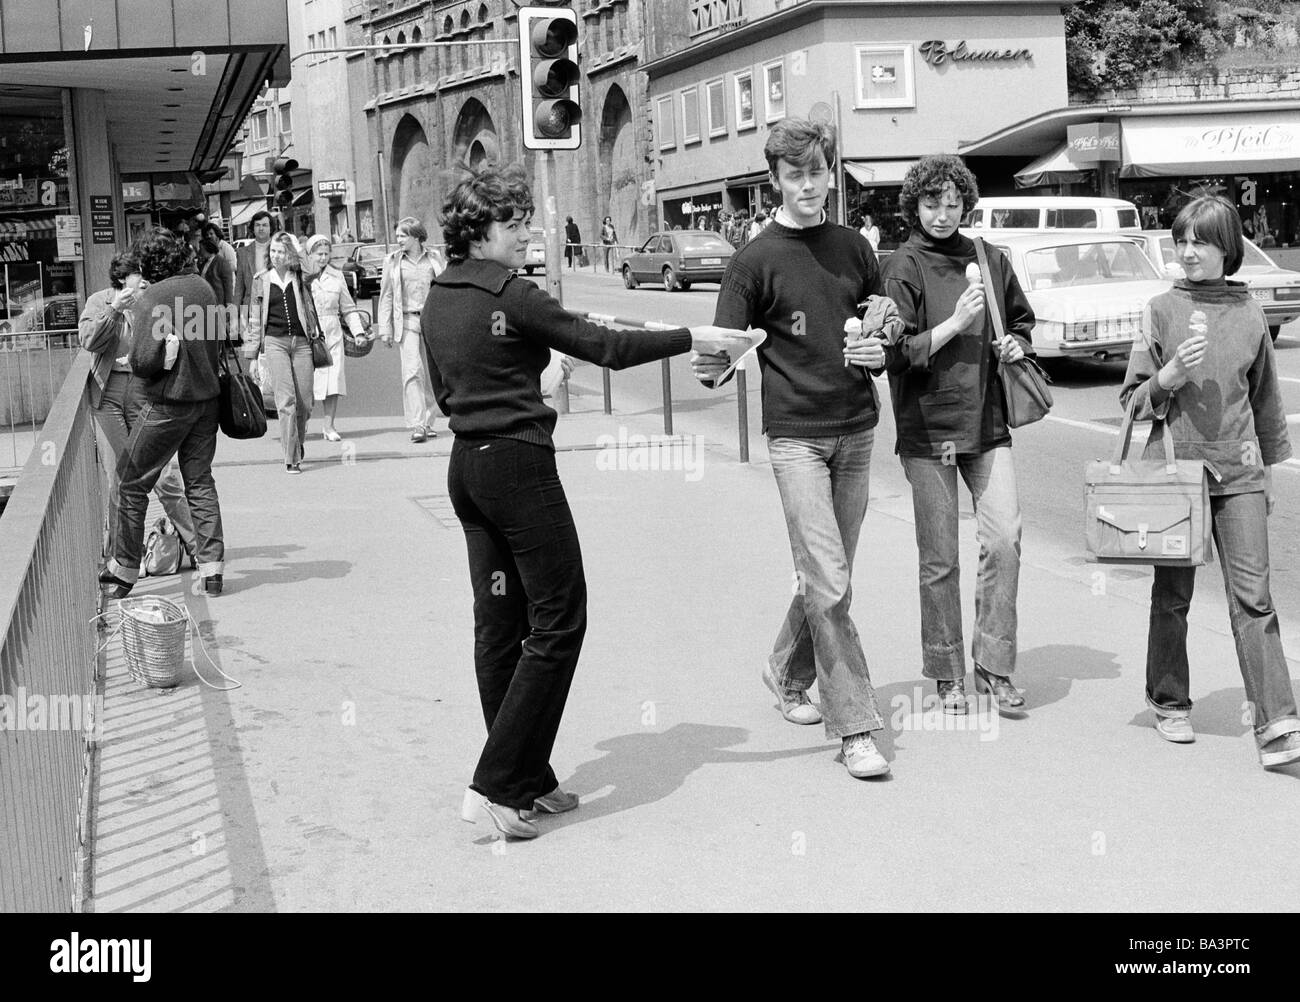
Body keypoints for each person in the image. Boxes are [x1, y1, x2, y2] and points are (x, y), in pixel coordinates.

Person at [425, 166, 750, 839]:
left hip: (468, 468)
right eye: (513, 225)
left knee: (498, 627)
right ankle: (496, 785)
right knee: (558, 620)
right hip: (517, 467)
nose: (526, 235)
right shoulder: (511, 293)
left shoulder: (439, 295)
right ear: (481, 230)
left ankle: (528, 778)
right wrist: (693, 337)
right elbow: (605, 346)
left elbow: (442, 389)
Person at [694, 118, 897, 780]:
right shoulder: (753, 260)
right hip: (796, 441)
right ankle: (857, 728)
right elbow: (712, 361)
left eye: (818, 172)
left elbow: (884, 316)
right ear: (775, 179)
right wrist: (723, 356)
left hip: (857, 429)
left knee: (826, 578)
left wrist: (880, 343)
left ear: (829, 173)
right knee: (831, 581)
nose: (809, 185)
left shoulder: (854, 246)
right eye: (796, 174)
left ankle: (784, 670)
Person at [1119, 194, 1300, 769]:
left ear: (1229, 248)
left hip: (1241, 471)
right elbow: (1131, 402)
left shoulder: (1250, 313)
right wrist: (1167, 376)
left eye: (1201, 241)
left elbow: (1267, 403)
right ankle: (1169, 702)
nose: (1188, 251)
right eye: (1181, 240)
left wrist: (1268, 474)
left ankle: (1274, 724)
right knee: (1173, 596)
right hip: (1179, 474)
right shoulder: (1159, 309)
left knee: (1255, 599)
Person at [880, 153, 1034, 717]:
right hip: (926, 430)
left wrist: (1016, 343)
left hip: (987, 422)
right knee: (939, 558)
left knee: (1004, 540)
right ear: (914, 205)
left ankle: (994, 666)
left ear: (966, 203)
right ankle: (947, 673)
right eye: (931, 202)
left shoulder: (989, 258)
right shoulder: (903, 266)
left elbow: (1020, 320)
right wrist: (953, 325)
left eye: (953, 203)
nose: (943, 214)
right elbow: (894, 354)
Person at [98, 229, 225, 597]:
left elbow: (142, 360)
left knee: (129, 481)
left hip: (168, 405)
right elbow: (217, 340)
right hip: (207, 402)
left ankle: (123, 572)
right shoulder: (204, 288)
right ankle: (212, 569)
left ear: (149, 263)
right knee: (199, 481)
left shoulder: (153, 297)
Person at [78, 251, 198, 564]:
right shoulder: (100, 302)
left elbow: (172, 339)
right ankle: (121, 555)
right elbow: (88, 341)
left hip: (145, 390)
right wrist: (115, 311)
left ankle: (197, 545)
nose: (144, 279)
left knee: (163, 473)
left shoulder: (151, 301)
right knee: (121, 474)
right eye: (138, 274)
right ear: (121, 279)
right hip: (109, 394)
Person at [244, 232, 321, 473]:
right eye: (273, 251)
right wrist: (253, 357)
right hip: (274, 342)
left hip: (301, 343)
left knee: (305, 403)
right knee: (285, 401)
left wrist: (297, 249)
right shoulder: (261, 279)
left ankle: (297, 443)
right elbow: (255, 320)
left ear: (289, 253)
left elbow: (315, 268)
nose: (276, 256)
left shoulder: (300, 276)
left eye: (281, 251)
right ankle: (291, 457)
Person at [377, 216, 442, 442]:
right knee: (412, 371)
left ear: (416, 236)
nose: (399, 240)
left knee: (432, 375)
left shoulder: (434, 257)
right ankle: (418, 424)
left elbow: (444, 289)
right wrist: (384, 328)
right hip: (406, 321)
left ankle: (429, 420)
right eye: (397, 236)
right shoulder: (393, 261)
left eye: (403, 235)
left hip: (432, 321)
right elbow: (385, 295)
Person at [303, 233, 368, 441]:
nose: (322, 258)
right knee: (306, 382)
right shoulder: (301, 276)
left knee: (333, 380)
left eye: (325, 253)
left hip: (332, 332)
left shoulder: (337, 276)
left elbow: (348, 308)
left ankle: (329, 426)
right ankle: (301, 422)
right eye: (318, 254)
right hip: (309, 333)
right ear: (309, 254)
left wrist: (358, 332)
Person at [234, 210, 276, 310]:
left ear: (271, 228)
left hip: (274, 305)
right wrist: (234, 314)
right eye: (257, 225)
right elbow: (239, 287)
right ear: (253, 228)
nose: (261, 228)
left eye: (265, 225)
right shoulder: (242, 253)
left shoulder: (279, 249)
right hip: (251, 306)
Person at [195, 221, 235, 306]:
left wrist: (228, 303)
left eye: (211, 233)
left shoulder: (225, 251)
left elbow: (228, 282)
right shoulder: (204, 262)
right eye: (207, 234)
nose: (209, 236)